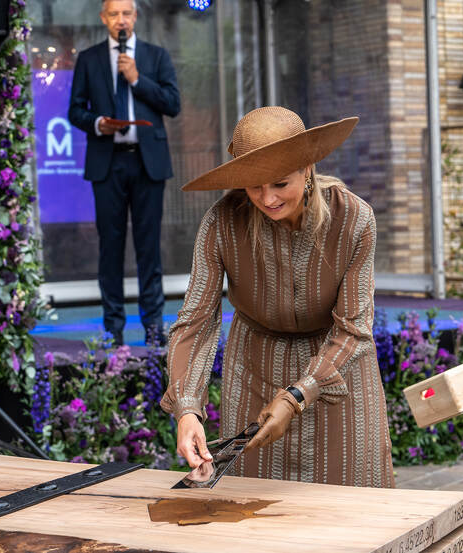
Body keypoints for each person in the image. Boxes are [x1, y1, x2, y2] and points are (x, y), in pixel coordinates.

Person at [160, 106, 395, 488]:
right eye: (255, 186)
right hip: (254, 370)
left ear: (308, 170)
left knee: (351, 511)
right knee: (252, 508)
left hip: (338, 377)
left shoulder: (355, 220)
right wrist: (187, 409)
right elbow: (196, 320)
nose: (267, 198)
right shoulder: (222, 222)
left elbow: (354, 328)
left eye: (280, 184)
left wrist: (297, 396)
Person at [68, 0, 180, 345]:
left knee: (149, 248)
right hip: (108, 161)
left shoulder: (156, 55)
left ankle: (153, 328)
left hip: (147, 162)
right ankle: (113, 329)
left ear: (135, 17)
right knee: (110, 248)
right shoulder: (89, 59)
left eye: (126, 13)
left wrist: (136, 79)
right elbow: (75, 110)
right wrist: (97, 123)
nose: (121, 19)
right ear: (104, 19)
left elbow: (173, 104)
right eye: (114, 13)